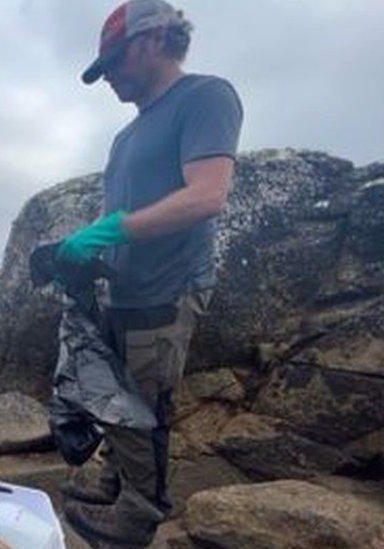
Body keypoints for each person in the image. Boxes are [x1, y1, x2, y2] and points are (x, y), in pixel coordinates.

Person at [58, 1, 243, 546]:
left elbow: (208, 196)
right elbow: (124, 211)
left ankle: (138, 515)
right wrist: (84, 247)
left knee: (146, 404)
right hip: (123, 289)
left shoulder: (206, 96)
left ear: (154, 40)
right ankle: (119, 483)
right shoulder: (125, 137)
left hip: (167, 288)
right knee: (114, 395)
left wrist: (112, 231)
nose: (108, 76)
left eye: (114, 61)